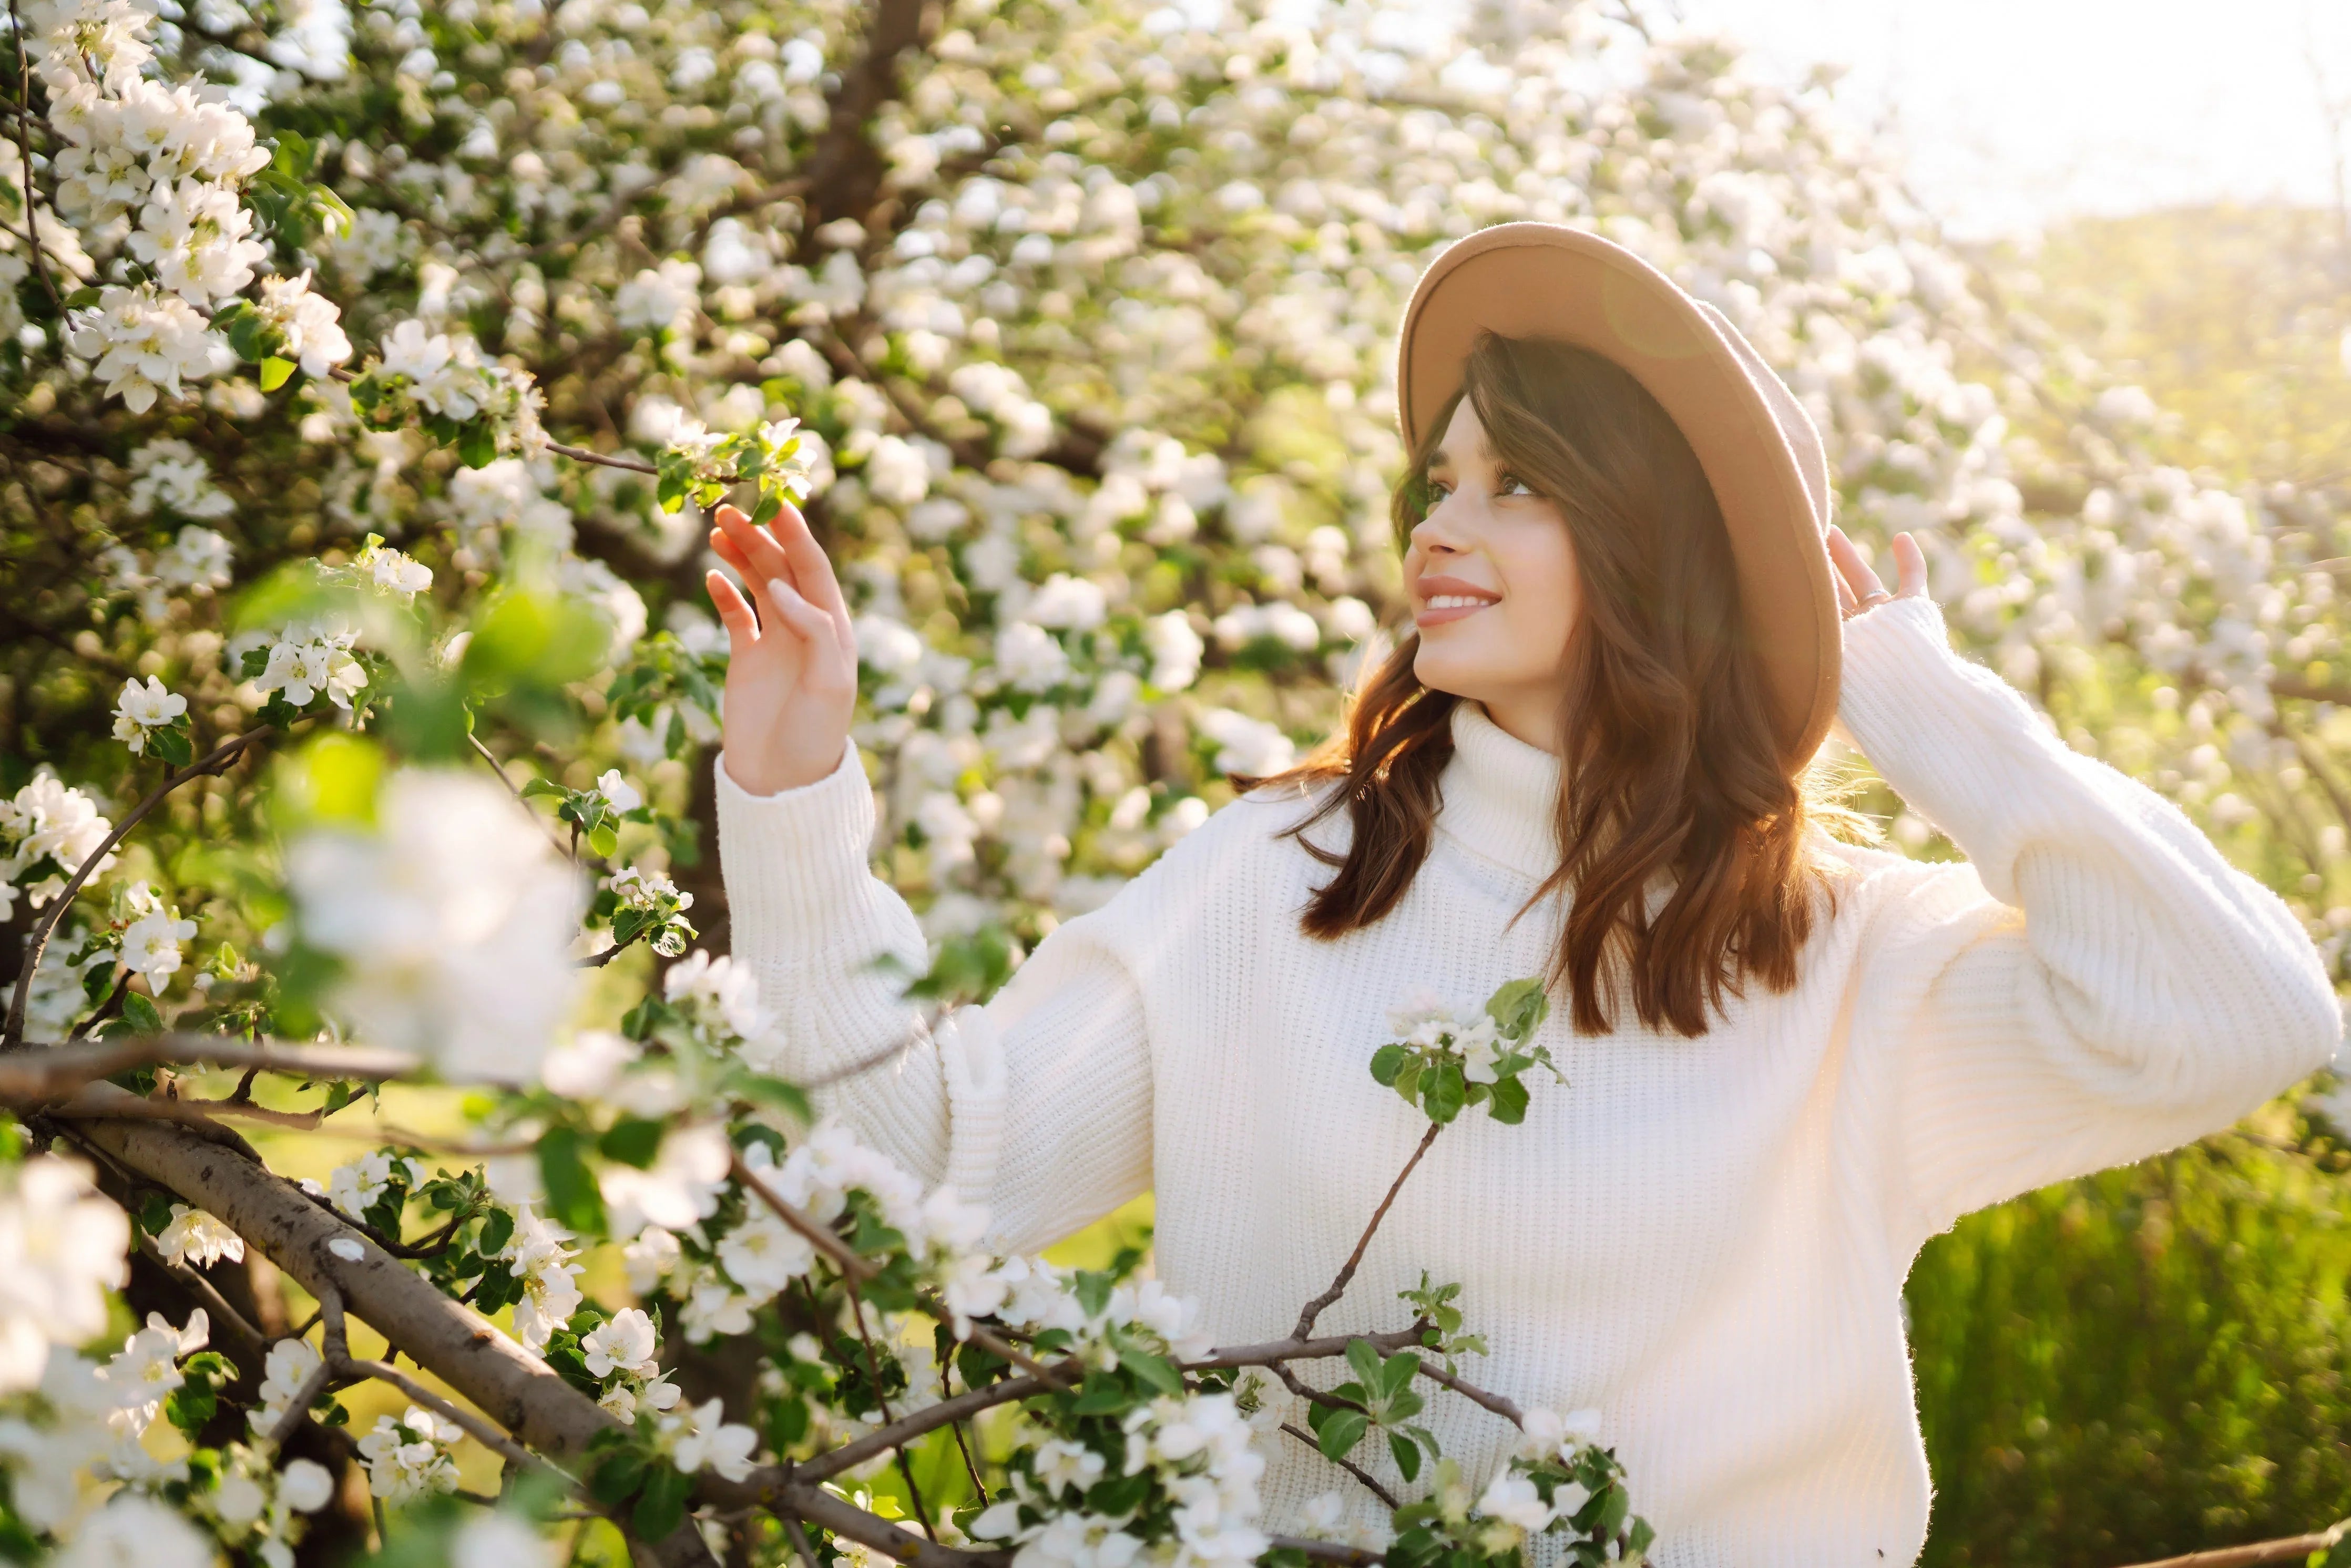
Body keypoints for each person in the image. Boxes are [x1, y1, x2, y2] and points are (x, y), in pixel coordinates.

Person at [701, 223, 2342, 1566]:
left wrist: (1914, 699)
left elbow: (2240, 1018)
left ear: (1651, 548)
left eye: (1516, 485)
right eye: (1438, 479)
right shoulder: (1290, 878)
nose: (1437, 528)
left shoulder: (1845, 957)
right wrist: (791, 801)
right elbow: (922, 1170)